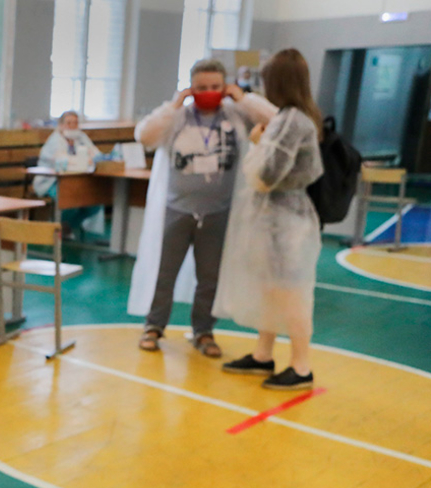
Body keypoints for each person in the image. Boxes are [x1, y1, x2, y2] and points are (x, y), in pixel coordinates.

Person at [127, 59, 277, 357]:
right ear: (190, 89)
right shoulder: (177, 117)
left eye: (215, 87)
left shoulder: (236, 114)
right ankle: (154, 326)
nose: (208, 92)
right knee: (164, 274)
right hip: (177, 209)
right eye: (201, 88)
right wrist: (173, 105)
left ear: (225, 87)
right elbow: (144, 136)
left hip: (219, 212)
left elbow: (276, 121)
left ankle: (203, 331)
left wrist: (244, 98)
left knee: (209, 278)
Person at [216, 49, 325, 390]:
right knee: (271, 289)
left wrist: (257, 143)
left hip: (286, 222)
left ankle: (301, 366)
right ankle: (263, 354)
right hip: (276, 219)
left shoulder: (293, 121)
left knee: (291, 293)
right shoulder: (292, 117)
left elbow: (266, 175)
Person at [32, 110, 105, 239]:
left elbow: (97, 155)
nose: (72, 126)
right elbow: (61, 160)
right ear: (61, 125)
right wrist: (82, 159)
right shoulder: (54, 141)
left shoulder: (81, 137)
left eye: (75, 123)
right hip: (51, 182)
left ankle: (67, 226)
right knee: (69, 200)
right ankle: (57, 228)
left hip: (78, 181)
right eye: (68, 123)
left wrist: (90, 157)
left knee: (94, 203)